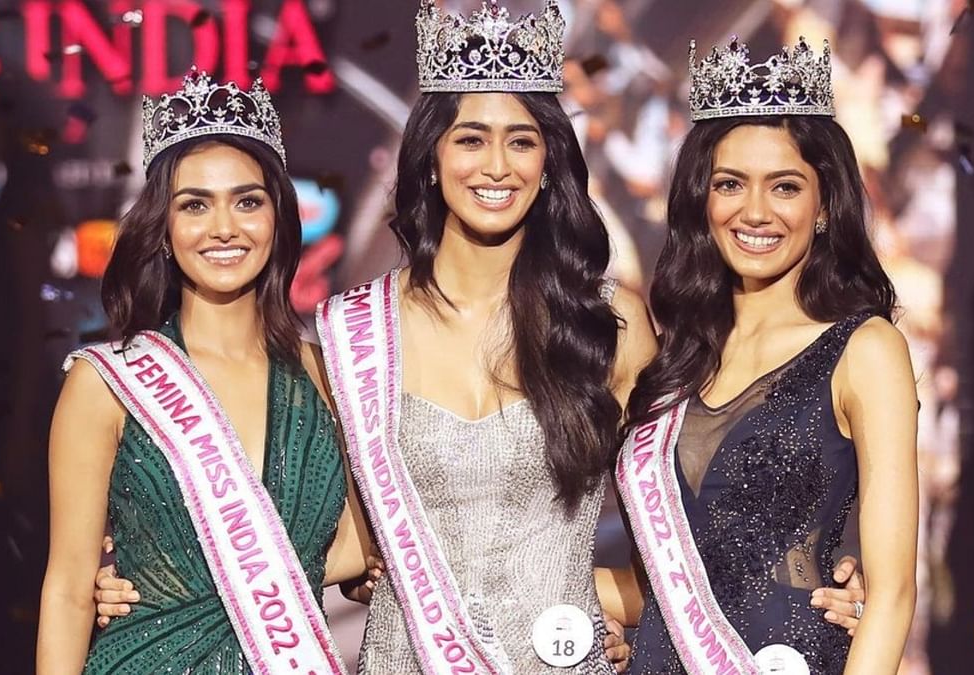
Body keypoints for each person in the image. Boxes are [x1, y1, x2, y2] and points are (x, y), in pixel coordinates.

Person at [314, 1, 651, 672]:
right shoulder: (351, 335)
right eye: (470, 139)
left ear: (549, 162)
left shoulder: (612, 324)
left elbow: (694, 534)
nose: (496, 165)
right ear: (431, 159)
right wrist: (146, 578)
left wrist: (613, 600)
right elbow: (317, 540)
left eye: (521, 140)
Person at [37, 71, 368, 673]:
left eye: (247, 201)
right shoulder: (108, 381)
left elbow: (362, 543)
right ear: (163, 229)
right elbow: (66, 589)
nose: (224, 228)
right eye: (195, 205)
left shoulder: (327, 374)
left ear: (278, 219)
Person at [617, 37, 918, 674]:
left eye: (784, 187)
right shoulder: (675, 358)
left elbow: (890, 596)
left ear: (824, 206)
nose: (755, 212)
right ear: (703, 199)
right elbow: (674, 573)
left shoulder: (865, 349)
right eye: (731, 183)